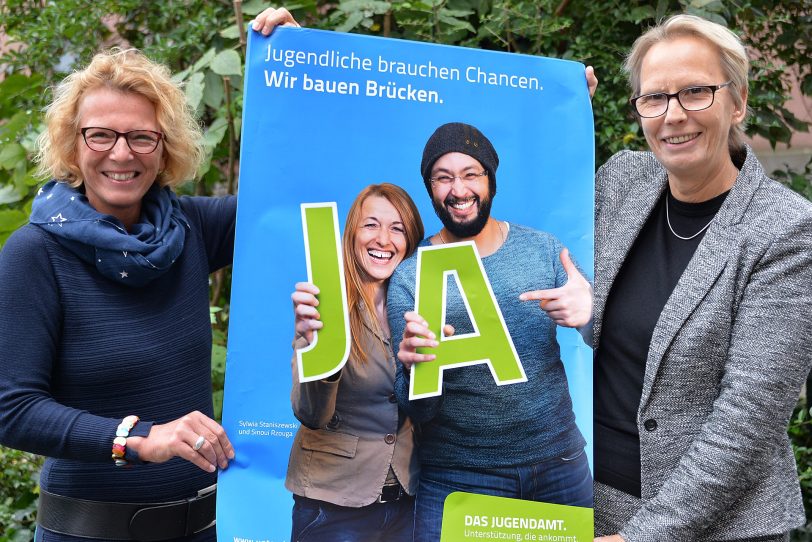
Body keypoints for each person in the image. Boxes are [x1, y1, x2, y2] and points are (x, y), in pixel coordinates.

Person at [0, 8, 297, 542]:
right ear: (72, 145)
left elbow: (291, 193)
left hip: (205, 528)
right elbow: (13, 409)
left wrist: (298, 71)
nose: (121, 153)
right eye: (100, 136)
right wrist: (138, 438)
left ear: (165, 152)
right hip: (90, 533)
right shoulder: (34, 253)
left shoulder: (190, 229)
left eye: (142, 138)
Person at [591, 14, 812, 542]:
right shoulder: (621, 181)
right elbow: (520, 219)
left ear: (737, 101)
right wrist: (547, 105)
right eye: (655, 98)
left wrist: (643, 538)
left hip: (717, 526)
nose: (673, 115)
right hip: (590, 503)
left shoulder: (785, 229)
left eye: (696, 92)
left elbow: (748, 418)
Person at [389, 122, 594, 542]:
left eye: (470, 174)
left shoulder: (543, 250)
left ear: (491, 181)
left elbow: (610, 340)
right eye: (443, 177)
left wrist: (593, 314)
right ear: (430, 188)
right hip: (460, 477)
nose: (458, 189)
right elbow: (419, 410)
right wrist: (415, 370)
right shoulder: (413, 276)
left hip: (559, 467)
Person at [285, 183, 424, 542]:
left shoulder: (421, 304)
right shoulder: (325, 302)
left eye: (397, 228)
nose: (384, 239)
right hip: (332, 503)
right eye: (371, 225)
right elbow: (312, 414)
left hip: (408, 500)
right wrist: (318, 350)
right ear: (352, 234)